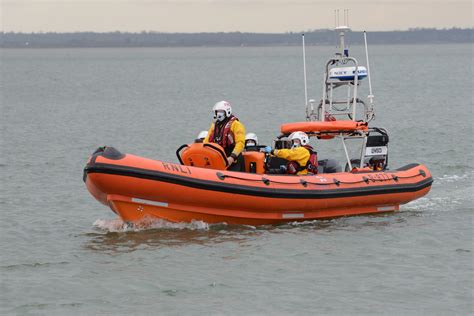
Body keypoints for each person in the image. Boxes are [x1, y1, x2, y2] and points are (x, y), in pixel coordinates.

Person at [204, 101, 246, 170]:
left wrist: (232, 157)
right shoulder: (214, 126)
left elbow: (240, 143)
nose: (218, 114)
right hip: (219, 158)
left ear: (227, 112)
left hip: (234, 159)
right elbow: (206, 141)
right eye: (217, 112)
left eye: (221, 111)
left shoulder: (236, 125)